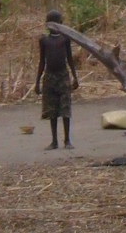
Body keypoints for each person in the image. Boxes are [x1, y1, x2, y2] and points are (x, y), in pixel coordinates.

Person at [34, 10, 79, 150]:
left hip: (63, 76)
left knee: (65, 110)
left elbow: (70, 59)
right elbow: (42, 61)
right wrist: (37, 81)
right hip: (49, 76)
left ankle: (67, 140)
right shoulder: (44, 40)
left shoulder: (65, 39)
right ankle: (54, 141)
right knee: (51, 111)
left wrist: (75, 77)